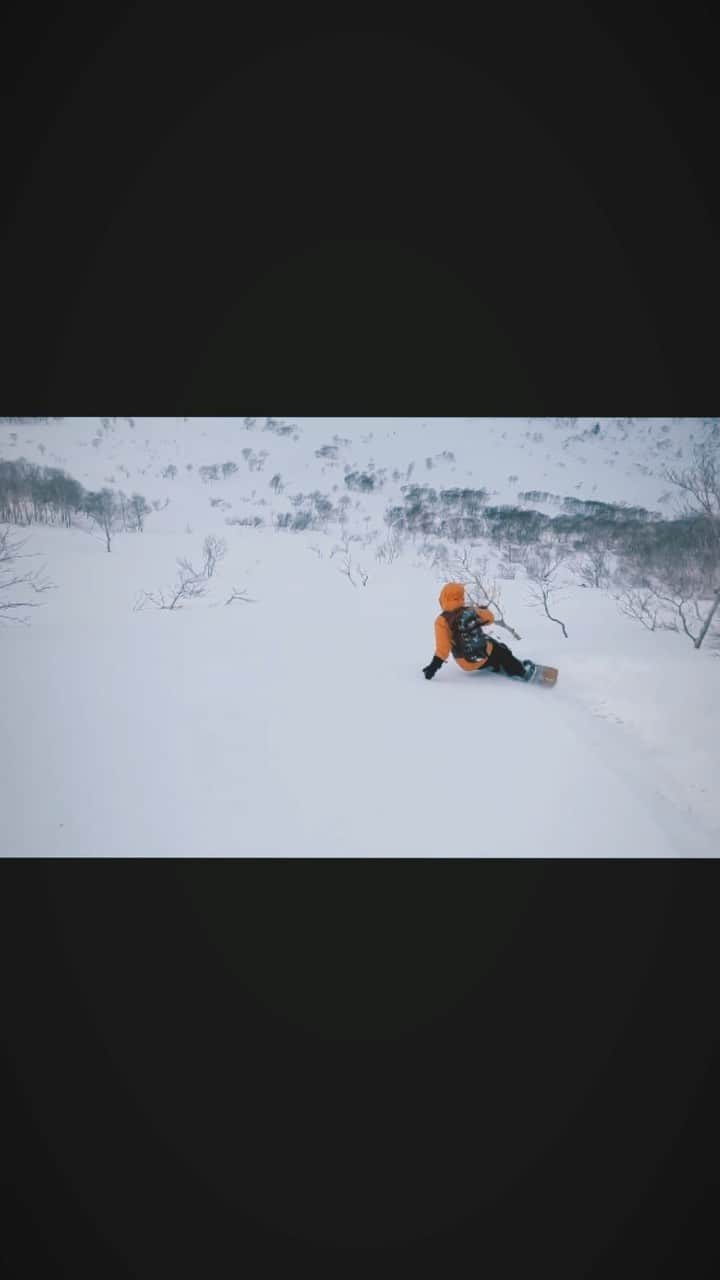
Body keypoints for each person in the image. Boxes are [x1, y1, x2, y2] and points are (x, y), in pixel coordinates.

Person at [422, 582, 535, 681]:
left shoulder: (441, 621)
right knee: (501, 650)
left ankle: (495, 665)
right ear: (461, 596)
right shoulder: (470, 610)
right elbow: (490, 618)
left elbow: (443, 650)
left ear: (443, 599)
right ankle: (521, 672)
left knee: (492, 644)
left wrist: (432, 667)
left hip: (465, 662)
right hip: (483, 654)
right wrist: (480, 610)